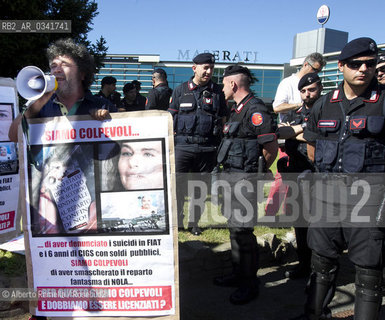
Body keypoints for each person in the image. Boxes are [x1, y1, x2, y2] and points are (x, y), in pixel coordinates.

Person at [8, 38, 115, 320]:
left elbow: (116, 148)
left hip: (85, 196)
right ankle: (44, 309)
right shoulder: (41, 104)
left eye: (64, 64)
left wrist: (103, 120)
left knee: (88, 259)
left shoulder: (99, 102)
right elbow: (12, 134)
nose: (56, 69)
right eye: (52, 65)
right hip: (44, 197)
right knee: (47, 255)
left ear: (82, 72)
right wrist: (37, 102)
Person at [293, 37, 385, 320]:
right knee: (321, 262)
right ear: (341, 66)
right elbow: (313, 145)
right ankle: (314, 313)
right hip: (327, 198)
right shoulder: (324, 104)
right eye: (356, 64)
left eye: (370, 64)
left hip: (369, 202)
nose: (364, 69)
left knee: (369, 271)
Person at [213, 65, 278, 305]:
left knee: (244, 232)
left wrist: (254, 174)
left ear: (232, 84)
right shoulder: (236, 110)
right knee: (235, 229)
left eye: (223, 84)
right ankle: (238, 274)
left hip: (245, 181)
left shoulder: (255, 109)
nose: (222, 89)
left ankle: (250, 283)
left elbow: (270, 149)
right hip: (231, 179)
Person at [168, 52, 227, 235]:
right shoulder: (180, 90)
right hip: (182, 147)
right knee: (178, 188)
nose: (208, 71)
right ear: (194, 68)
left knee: (200, 189)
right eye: (205, 68)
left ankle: (194, 223)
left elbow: (223, 118)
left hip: (207, 148)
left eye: (211, 68)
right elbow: (170, 118)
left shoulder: (218, 92)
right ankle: (177, 222)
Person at [276, 73, 322, 280]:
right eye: (303, 90)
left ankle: (318, 266)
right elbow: (281, 132)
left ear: (319, 88)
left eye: (311, 89)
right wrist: (301, 131)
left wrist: (297, 131)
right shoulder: (297, 111)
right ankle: (304, 263)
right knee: (299, 220)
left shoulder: (327, 109)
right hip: (295, 169)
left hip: (314, 172)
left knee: (316, 222)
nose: (306, 94)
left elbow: (322, 135)